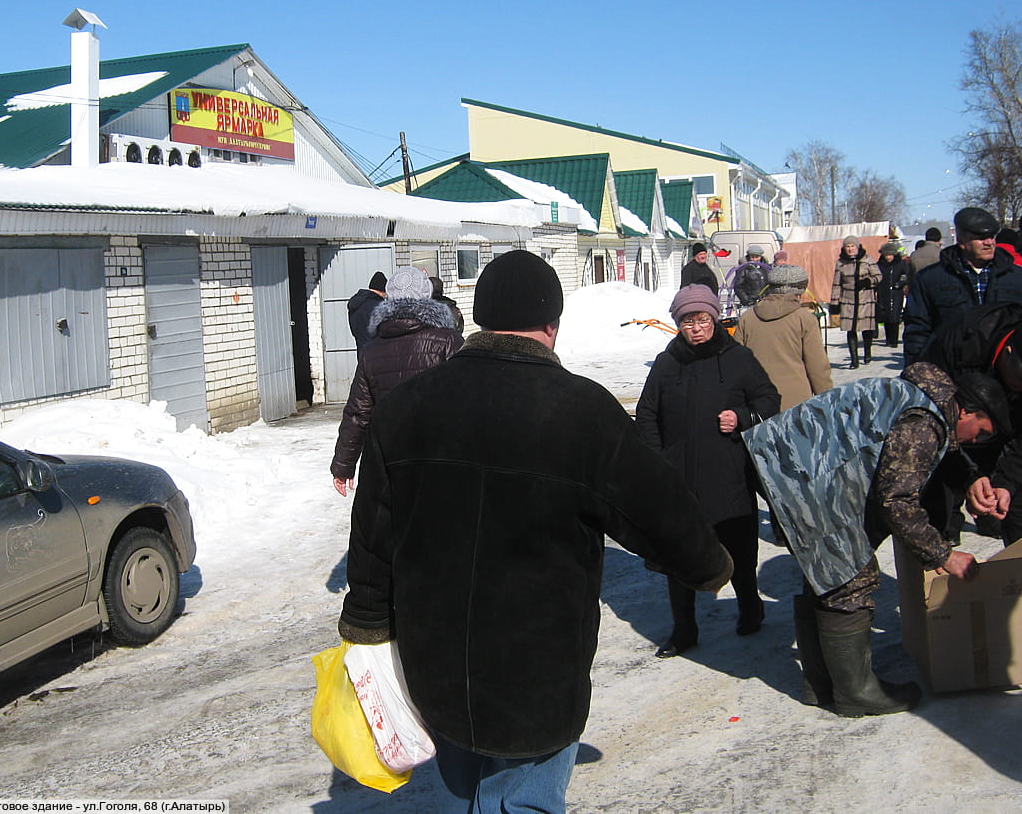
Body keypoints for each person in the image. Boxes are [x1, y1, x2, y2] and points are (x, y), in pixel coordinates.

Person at [339, 250, 732, 812]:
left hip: (436, 660)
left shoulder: (404, 407)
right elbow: (657, 508)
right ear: (552, 323)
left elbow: (373, 530)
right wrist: (708, 565)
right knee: (524, 801)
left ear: (476, 317)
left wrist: (367, 620)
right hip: (537, 671)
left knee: (459, 791)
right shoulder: (581, 410)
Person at [744, 363, 1008, 716]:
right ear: (964, 410)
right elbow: (896, 500)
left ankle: (820, 684)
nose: (977, 440)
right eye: (981, 431)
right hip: (802, 472)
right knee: (852, 576)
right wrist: (943, 555)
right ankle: (856, 693)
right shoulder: (924, 422)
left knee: (828, 573)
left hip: (787, 462)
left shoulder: (917, 398)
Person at [635, 284, 780, 657]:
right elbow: (647, 412)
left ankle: (751, 607)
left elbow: (770, 399)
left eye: (702, 320)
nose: (695, 328)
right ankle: (684, 629)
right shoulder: (668, 362)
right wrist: (657, 459)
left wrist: (743, 417)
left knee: (739, 551)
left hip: (729, 473)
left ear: (714, 319)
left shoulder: (738, 358)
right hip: (679, 478)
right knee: (679, 555)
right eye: (687, 321)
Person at [917, 302, 1022, 651]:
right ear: (1010, 352)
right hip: (950, 437)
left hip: (1009, 442)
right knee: (932, 522)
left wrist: (1005, 481)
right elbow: (924, 415)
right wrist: (968, 475)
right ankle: (935, 622)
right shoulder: (958, 343)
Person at [330, 266, 463, 496]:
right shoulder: (448, 341)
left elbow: (358, 412)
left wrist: (343, 465)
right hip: (441, 456)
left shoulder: (371, 351)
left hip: (390, 459)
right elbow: (469, 401)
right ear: (427, 297)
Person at [903, 207, 1022, 365]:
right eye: (981, 238)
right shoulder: (930, 279)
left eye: (991, 237)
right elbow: (917, 331)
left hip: (1003, 375)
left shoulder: (1019, 278)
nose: (989, 243)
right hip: (950, 374)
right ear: (961, 240)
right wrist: (917, 371)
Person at [734, 264, 832, 411]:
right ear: (800, 290)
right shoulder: (804, 319)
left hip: (757, 401)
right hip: (796, 402)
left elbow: (735, 362)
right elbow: (817, 367)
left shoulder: (747, 318)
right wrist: (827, 402)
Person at [831, 236, 880, 368]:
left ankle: (867, 352)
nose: (850, 249)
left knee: (866, 328)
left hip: (865, 299)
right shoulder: (841, 263)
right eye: (848, 246)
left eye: (853, 246)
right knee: (850, 329)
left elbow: (879, 276)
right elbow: (836, 283)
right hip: (848, 299)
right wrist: (834, 302)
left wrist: (867, 282)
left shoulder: (868, 259)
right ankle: (854, 360)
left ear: (857, 247)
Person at [874, 242, 908, 349]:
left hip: (896, 293)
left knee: (895, 316)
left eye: (890, 255)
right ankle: (888, 339)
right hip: (883, 293)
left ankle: (894, 340)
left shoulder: (900, 263)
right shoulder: (880, 265)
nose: (888, 257)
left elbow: (906, 274)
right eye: (886, 255)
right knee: (886, 316)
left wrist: (900, 283)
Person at [347, 271, 387, 349]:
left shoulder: (355, 304)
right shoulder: (378, 306)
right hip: (377, 353)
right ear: (382, 291)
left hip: (361, 352)